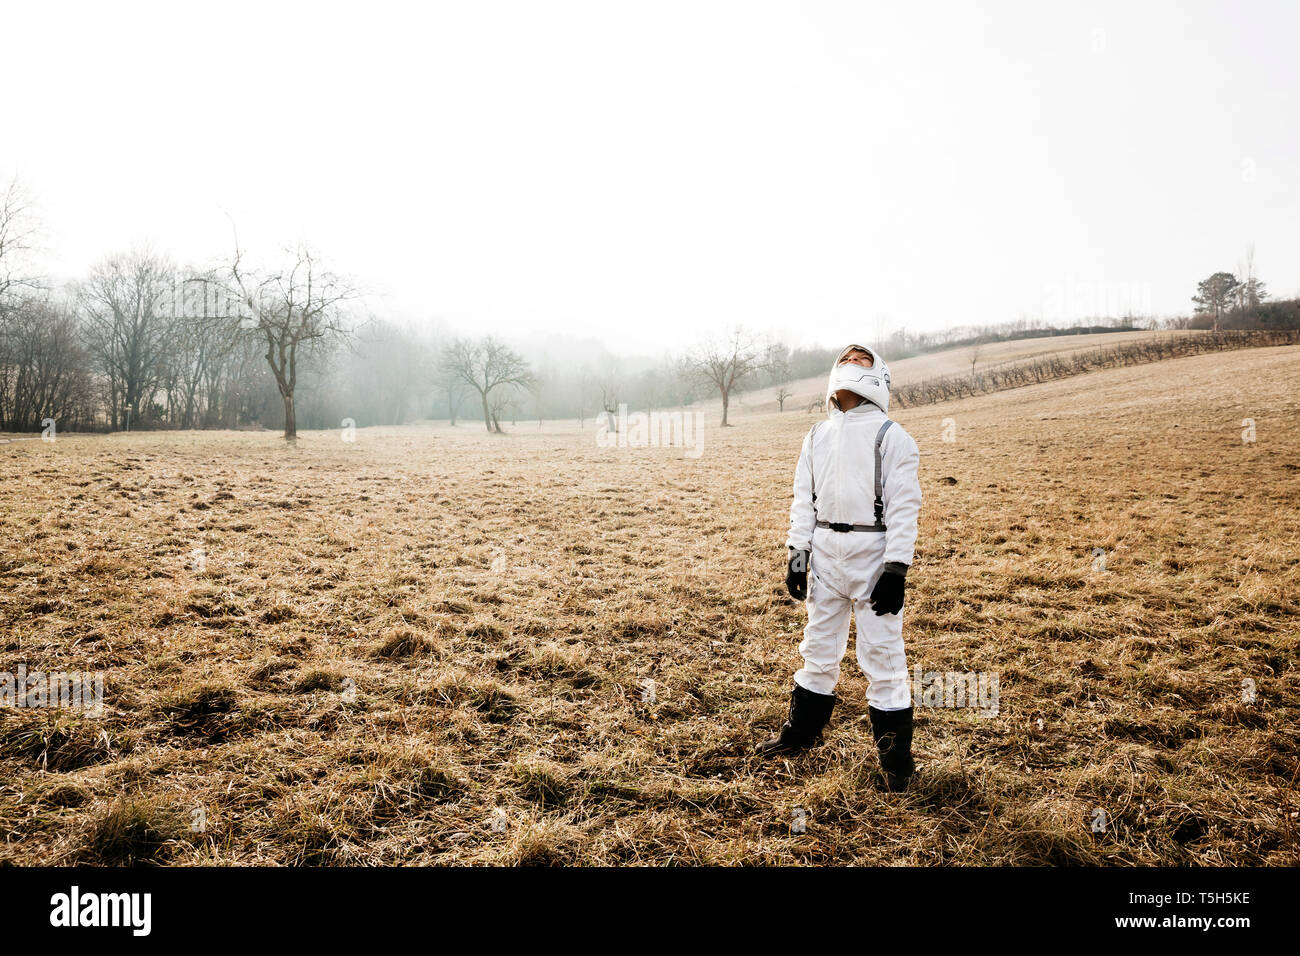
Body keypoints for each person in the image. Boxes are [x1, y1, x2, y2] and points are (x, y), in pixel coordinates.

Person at [756, 344, 923, 792]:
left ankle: (896, 764)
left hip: (873, 553)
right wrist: (798, 555)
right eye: (847, 356)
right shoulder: (816, 435)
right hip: (827, 553)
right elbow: (802, 499)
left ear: (879, 376)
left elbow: (905, 507)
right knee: (818, 646)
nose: (852, 360)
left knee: (883, 656)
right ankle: (799, 735)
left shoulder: (892, 436)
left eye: (862, 358)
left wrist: (896, 568)